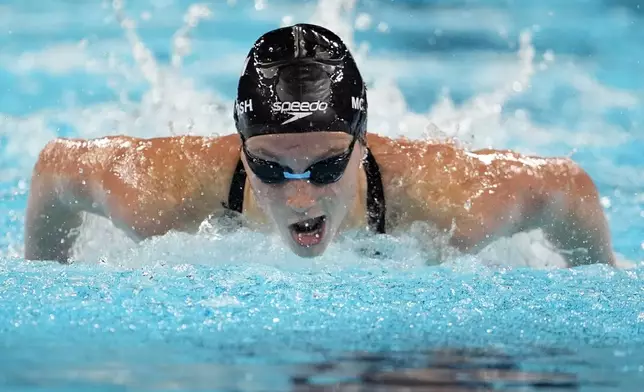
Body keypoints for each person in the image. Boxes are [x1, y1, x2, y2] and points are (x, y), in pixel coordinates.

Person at [24, 23, 616, 266]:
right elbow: (55, 169)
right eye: (272, 169)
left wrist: (600, 275)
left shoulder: (451, 202)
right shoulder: (158, 195)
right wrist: (45, 272)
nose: (301, 192)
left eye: (328, 165)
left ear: (362, 145)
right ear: (242, 148)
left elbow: (566, 185)